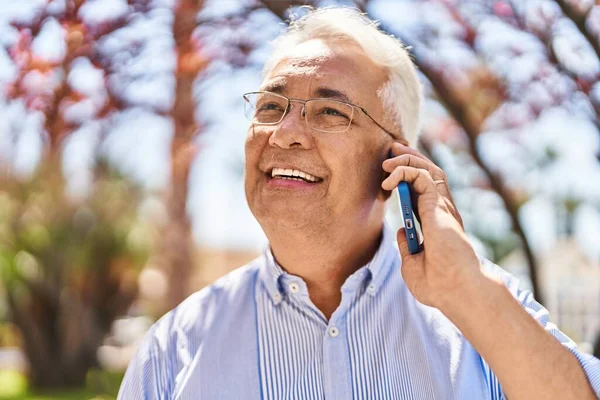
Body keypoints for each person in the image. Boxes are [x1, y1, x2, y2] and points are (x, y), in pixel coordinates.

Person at [118, 7, 600, 399]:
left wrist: (465, 292)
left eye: (330, 111)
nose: (285, 135)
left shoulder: (484, 309)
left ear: (397, 161)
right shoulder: (171, 352)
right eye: (270, 107)